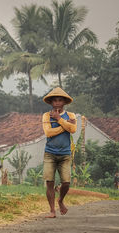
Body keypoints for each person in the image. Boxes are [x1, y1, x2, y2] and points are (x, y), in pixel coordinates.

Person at [42, 87, 77, 218]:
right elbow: (48, 133)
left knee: (66, 182)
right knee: (49, 182)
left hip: (65, 154)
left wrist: (60, 120)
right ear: (51, 102)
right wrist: (65, 125)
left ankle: (60, 200)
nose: (57, 103)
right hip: (49, 153)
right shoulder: (46, 115)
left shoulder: (71, 115)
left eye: (60, 100)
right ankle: (52, 210)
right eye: (55, 100)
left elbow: (73, 130)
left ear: (64, 102)